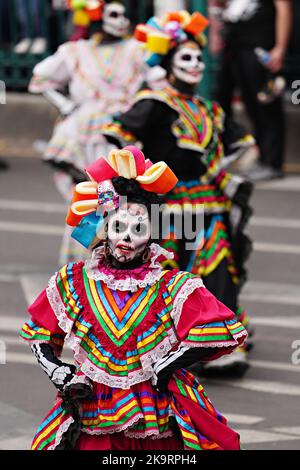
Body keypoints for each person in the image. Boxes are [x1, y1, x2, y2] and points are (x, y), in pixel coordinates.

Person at [19, 146, 248, 450]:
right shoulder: (74, 281)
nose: (126, 237)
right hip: (92, 409)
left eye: (138, 228)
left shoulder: (172, 286)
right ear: (105, 230)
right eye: (118, 227)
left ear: (153, 234)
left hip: (158, 412)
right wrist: (60, 373)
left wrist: (164, 367)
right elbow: (40, 334)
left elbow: (219, 332)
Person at [102, 10, 253, 374]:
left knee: (217, 265)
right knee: (164, 269)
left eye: (200, 58)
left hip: (208, 201)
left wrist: (221, 171)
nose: (196, 64)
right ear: (169, 62)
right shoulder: (155, 101)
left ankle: (216, 340)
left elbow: (241, 147)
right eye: (186, 57)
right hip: (166, 204)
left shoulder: (210, 110)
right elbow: (119, 136)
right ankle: (158, 341)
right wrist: (130, 178)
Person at [29, 1, 148, 264]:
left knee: (126, 203)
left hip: (122, 133)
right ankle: (83, 267)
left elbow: (158, 81)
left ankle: (119, 265)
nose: (122, 21)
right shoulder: (76, 51)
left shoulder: (136, 50)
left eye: (125, 15)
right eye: (114, 14)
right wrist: (68, 106)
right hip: (81, 135)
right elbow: (40, 80)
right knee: (87, 202)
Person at [216, 0, 292, 181]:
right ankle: (260, 157)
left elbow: (284, 8)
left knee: (266, 104)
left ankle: (272, 162)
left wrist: (280, 48)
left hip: (260, 48)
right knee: (245, 103)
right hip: (236, 45)